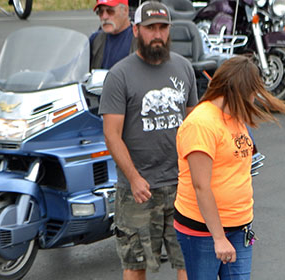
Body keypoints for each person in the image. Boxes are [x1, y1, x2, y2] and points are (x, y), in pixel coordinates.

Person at [173, 55, 285, 280]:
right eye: (252, 92)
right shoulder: (201, 124)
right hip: (204, 231)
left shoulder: (235, 116)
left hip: (239, 227)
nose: (254, 98)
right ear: (238, 90)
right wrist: (219, 238)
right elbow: (201, 186)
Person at [98, 1, 198, 280]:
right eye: (150, 28)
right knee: (135, 265)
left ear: (169, 31)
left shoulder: (184, 68)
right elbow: (111, 134)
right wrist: (133, 177)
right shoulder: (119, 75)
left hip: (181, 187)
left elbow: (194, 126)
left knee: (188, 261)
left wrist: (197, 176)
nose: (157, 34)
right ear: (136, 30)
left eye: (162, 28)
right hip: (138, 190)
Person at [90, 0, 133, 70]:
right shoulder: (95, 39)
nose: (104, 17)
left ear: (125, 10)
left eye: (110, 11)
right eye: (100, 12)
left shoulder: (139, 39)